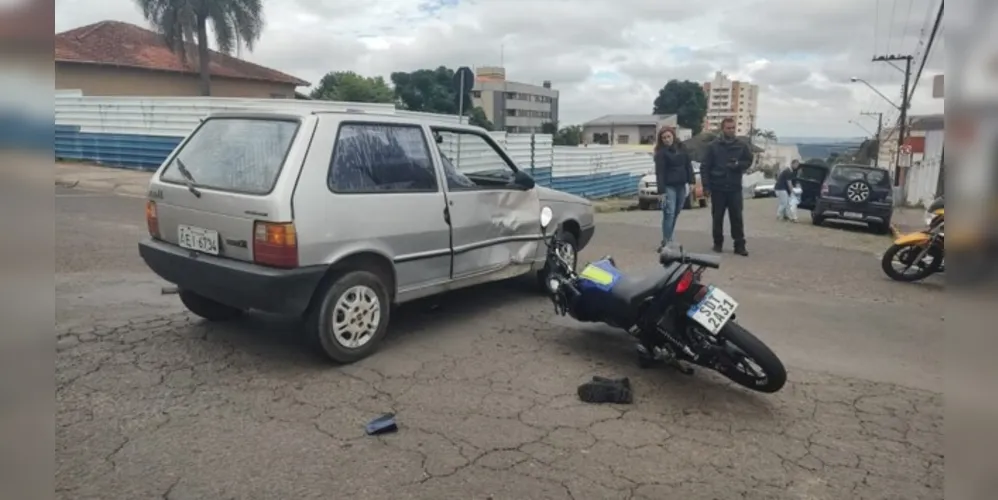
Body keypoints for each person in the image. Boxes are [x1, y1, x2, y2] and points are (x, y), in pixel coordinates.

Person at [701, 117, 755, 256]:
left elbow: (749, 160)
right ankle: (717, 243)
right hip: (718, 187)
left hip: (734, 187)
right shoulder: (713, 146)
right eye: (728, 128)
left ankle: (739, 245)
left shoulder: (742, 145)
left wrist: (738, 165)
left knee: (737, 217)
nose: (731, 130)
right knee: (717, 217)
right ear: (722, 129)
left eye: (733, 128)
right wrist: (706, 187)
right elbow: (705, 167)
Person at [653, 127, 695, 249]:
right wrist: (661, 191)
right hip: (668, 186)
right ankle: (667, 241)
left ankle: (668, 236)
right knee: (669, 212)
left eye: (668, 136)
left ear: (673, 136)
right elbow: (659, 173)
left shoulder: (682, 148)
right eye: (664, 138)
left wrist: (691, 181)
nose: (667, 139)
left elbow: (688, 165)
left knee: (676, 211)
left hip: (681, 185)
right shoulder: (661, 153)